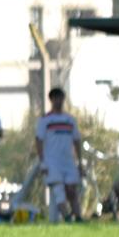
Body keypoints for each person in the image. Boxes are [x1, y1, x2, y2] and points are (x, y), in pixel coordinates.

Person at [34, 87, 85, 223]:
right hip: (52, 162)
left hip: (68, 161)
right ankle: (67, 218)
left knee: (71, 190)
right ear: (51, 100)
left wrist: (79, 163)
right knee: (58, 192)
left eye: (60, 98)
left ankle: (78, 217)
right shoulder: (45, 120)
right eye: (55, 98)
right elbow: (39, 141)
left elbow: (76, 141)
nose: (58, 101)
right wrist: (42, 162)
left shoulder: (69, 120)